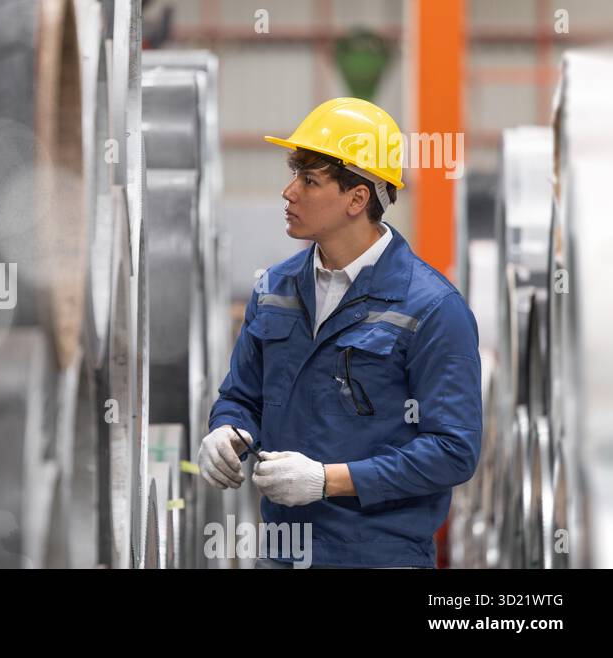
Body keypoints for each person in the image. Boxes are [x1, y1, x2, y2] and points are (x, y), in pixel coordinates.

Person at [199, 97, 482, 568]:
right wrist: (226, 430)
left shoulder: (431, 308)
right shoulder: (274, 289)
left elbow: (453, 450)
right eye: (294, 176)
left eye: (309, 181)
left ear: (357, 198)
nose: (289, 192)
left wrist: (330, 480)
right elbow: (243, 397)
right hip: (283, 554)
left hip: (380, 557)